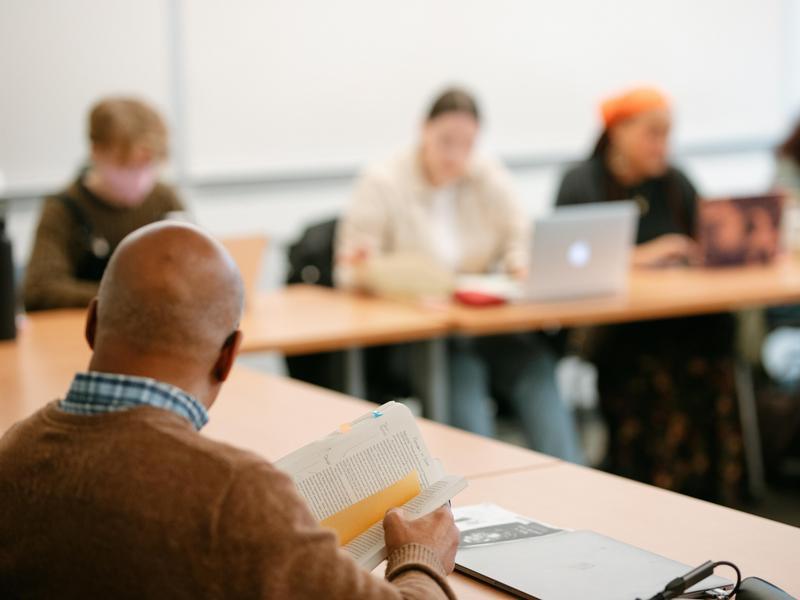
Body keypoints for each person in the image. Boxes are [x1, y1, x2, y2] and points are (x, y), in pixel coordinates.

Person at [0, 222, 459, 599]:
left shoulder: (13, 451)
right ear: (228, 356)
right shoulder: (231, 495)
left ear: (93, 325)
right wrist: (421, 556)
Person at [336, 87, 583, 463]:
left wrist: (520, 264)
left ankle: (571, 481)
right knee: (461, 380)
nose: (455, 155)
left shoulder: (487, 175)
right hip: (425, 334)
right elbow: (350, 269)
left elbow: (520, 235)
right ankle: (476, 499)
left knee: (536, 369)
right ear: (424, 131)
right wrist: (394, 286)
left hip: (481, 322)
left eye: (467, 143)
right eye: (445, 141)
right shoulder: (383, 181)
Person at [556, 86, 744, 503]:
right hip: (621, 328)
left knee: (715, 347)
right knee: (652, 363)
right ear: (618, 132)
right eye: (652, 134)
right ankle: (650, 486)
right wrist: (644, 257)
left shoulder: (674, 182)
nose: (662, 145)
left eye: (667, 134)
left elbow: (706, 240)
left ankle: (712, 489)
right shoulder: (582, 182)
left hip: (683, 318)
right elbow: (568, 260)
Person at [24, 97, 184, 312]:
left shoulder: (164, 198)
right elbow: (39, 288)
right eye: (124, 165)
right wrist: (125, 296)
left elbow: (201, 263)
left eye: (147, 165)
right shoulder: (63, 209)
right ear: (96, 152)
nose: (138, 177)